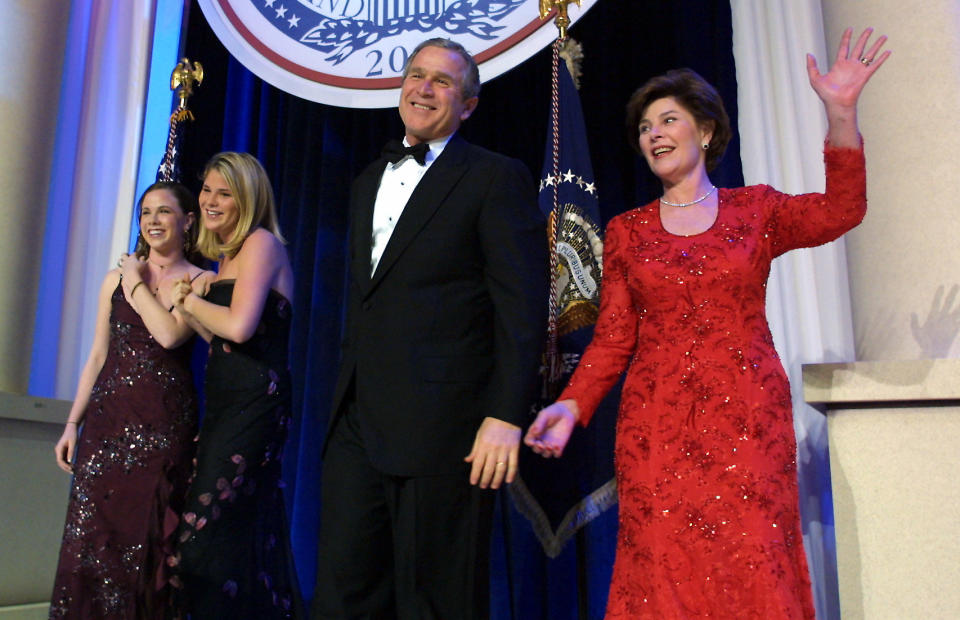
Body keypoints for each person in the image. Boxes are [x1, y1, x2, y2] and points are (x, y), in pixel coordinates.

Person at [525, 27, 889, 618]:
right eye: (645, 128)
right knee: (664, 567)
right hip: (657, 431)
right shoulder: (627, 231)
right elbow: (614, 340)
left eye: (667, 120)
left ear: (707, 130)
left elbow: (843, 211)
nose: (653, 135)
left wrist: (841, 113)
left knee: (754, 558)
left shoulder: (756, 211)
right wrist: (570, 407)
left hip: (748, 423)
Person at [313, 38, 547, 619]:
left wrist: (506, 414)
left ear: (467, 105)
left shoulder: (495, 177)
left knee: (437, 601)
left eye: (442, 81)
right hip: (357, 420)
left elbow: (521, 308)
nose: (424, 88)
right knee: (343, 595)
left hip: (446, 429)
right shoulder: (369, 178)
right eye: (416, 76)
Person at [49, 181, 209, 619]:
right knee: (94, 542)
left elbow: (170, 334)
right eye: (145, 213)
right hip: (107, 425)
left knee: (149, 543)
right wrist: (71, 423)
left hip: (163, 427)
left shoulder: (201, 280)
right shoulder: (113, 279)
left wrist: (136, 282)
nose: (153, 221)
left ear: (187, 220)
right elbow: (98, 354)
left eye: (164, 212)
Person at [170, 152, 301, 618]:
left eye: (224, 193)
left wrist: (187, 298)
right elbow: (222, 339)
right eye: (206, 189)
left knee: (203, 538)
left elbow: (242, 328)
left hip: (256, 406)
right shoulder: (226, 260)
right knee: (239, 539)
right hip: (228, 408)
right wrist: (195, 309)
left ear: (247, 199)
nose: (210, 200)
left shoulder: (261, 244)